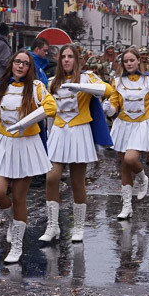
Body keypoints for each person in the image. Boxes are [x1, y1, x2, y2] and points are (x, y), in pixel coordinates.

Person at [42, 44, 113, 243]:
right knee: (51, 177)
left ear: (77, 59)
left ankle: (79, 227)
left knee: (77, 181)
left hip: (79, 130)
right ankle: (53, 226)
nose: (66, 60)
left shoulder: (88, 78)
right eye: (63, 56)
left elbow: (108, 90)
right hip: (58, 131)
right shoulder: (51, 82)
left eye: (70, 56)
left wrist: (80, 86)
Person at [0, 51, 57, 261]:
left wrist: (24, 123)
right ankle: (14, 221)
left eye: (25, 63)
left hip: (27, 145)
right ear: (11, 64)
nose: (20, 66)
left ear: (30, 68)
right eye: (17, 62)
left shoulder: (37, 88)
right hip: (3, 143)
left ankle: (17, 246)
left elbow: (51, 107)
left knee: (20, 197)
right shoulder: (0, 87)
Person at [105, 47, 149, 219]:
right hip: (122, 125)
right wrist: (108, 109)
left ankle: (143, 178)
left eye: (132, 60)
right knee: (124, 166)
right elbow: (114, 107)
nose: (129, 63)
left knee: (131, 159)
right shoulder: (117, 81)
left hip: (141, 124)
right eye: (126, 61)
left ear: (139, 60)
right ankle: (127, 206)